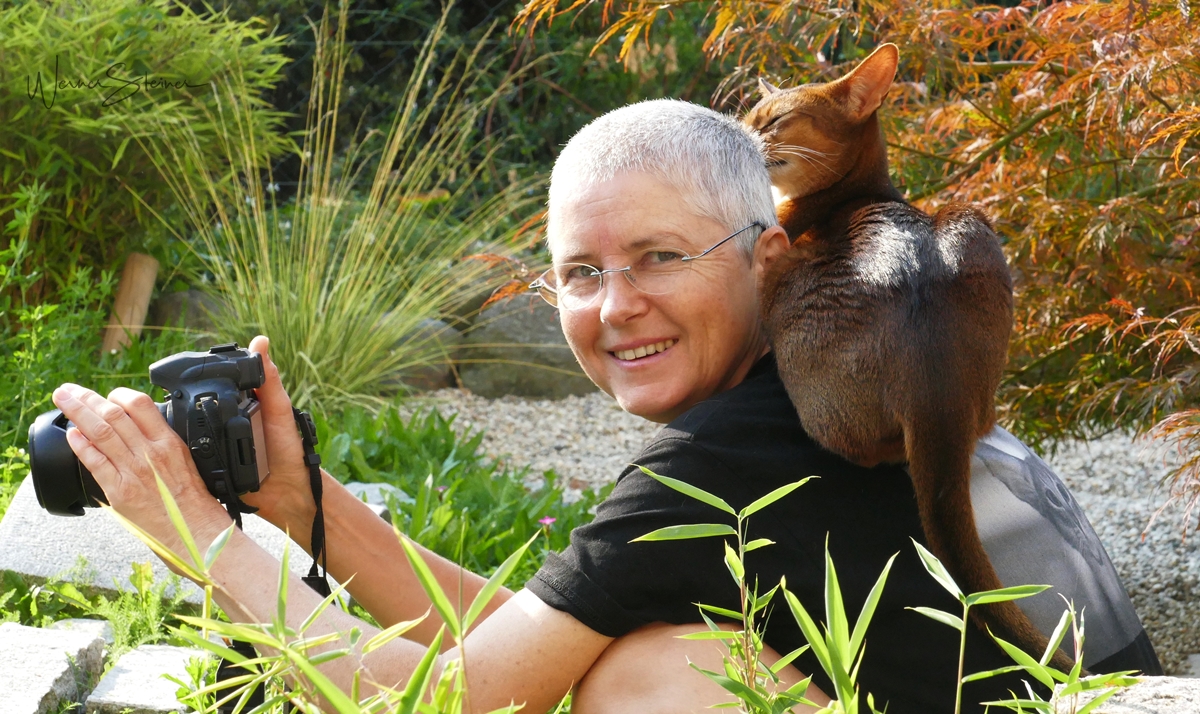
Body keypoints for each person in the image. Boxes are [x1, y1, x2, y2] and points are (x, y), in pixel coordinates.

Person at [50, 99, 1159, 714]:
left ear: (769, 255)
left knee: (652, 683)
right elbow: (519, 649)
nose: (616, 307)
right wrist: (301, 502)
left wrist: (198, 537)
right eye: (581, 273)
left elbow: (446, 704)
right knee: (626, 660)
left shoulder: (741, 455)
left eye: (660, 257)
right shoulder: (842, 390)